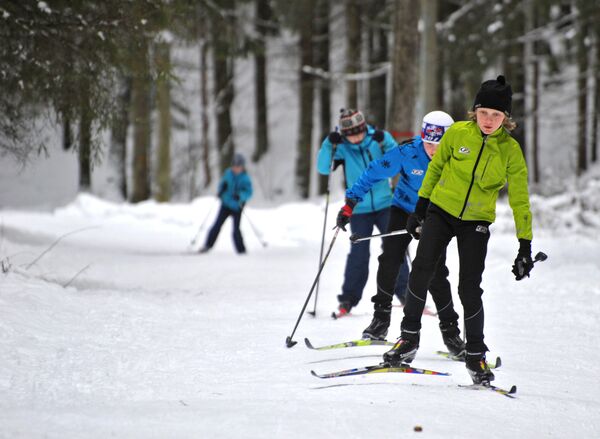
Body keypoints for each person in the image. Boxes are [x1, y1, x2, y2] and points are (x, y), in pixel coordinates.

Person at [383, 76, 534, 385]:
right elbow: (435, 169)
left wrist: (525, 245)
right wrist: (420, 209)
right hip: (441, 210)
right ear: (474, 112)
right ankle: (408, 338)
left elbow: (520, 198)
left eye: (497, 115)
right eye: (484, 113)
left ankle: (475, 356)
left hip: (476, 221)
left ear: (506, 118)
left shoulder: (510, 151)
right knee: (422, 269)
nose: (489, 121)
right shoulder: (456, 134)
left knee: (469, 287)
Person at [338, 111, 466, 358]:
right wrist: (350, 203)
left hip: (436, 215)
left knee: (437, 273)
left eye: (439, 145)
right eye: (429, 143)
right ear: (421, 138)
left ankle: (451, 333)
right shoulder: (408, 152)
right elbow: (373, 172)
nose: (433, 150)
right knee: (390, 260)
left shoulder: (458, 159)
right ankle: (380, 320)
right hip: (404, 209)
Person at [317, 109, 406, 316]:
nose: (355, 138)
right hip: (359, 209)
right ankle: (348, 299)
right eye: (350, 135)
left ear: (364, 128)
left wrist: (386, 140)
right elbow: (323, 168)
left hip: (386, 204)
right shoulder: (342, 148)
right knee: (359, 253)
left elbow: (397, 160)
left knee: (395, 250)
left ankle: (407, 295)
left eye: (358, 132)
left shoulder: (377, 140)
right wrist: (328, 144)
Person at [200, 153, 253, 254]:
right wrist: (221, 191)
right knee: (217, 225)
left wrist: (240, 196)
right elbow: (222, 185)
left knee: (236, 229)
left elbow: (249, 192)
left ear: (242, 167)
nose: (236, 168)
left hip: (237, 206)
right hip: (225, 204)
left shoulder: (245, 179)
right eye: (234, 166)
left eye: (238, 166)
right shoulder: (228, 174)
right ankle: (207, 245)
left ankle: (241, 251)